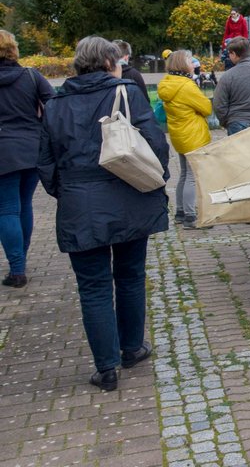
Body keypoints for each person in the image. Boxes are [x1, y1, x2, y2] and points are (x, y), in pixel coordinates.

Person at [38, 36, 168, 392]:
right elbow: (156, 143)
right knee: (129, 276)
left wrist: (67, 193)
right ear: (111, 62)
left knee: (93, 287)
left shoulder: (55, 103)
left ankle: (106, 366)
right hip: (128, 196)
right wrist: (157, 181)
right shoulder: (124, 93)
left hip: (80, 204)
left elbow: (45, 162)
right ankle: (131, 347)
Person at [0, 30, 55, 288]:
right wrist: (41, 126)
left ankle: (17, 268)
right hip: (32, 149)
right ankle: (19, 262)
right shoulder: (31, 76)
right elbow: (54, 104)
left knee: (7, 208)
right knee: (24, 204)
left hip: (3, 152)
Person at [158, 50, 213, 227]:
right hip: (193, 135)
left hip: (179, 135)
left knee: (183, 174)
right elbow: (206, 107)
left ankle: (180, 211)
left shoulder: (167, 83)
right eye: (190, 61)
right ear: (183, 64)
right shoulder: (186, 86)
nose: (194, 64)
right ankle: (191, 216)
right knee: (191, 176)